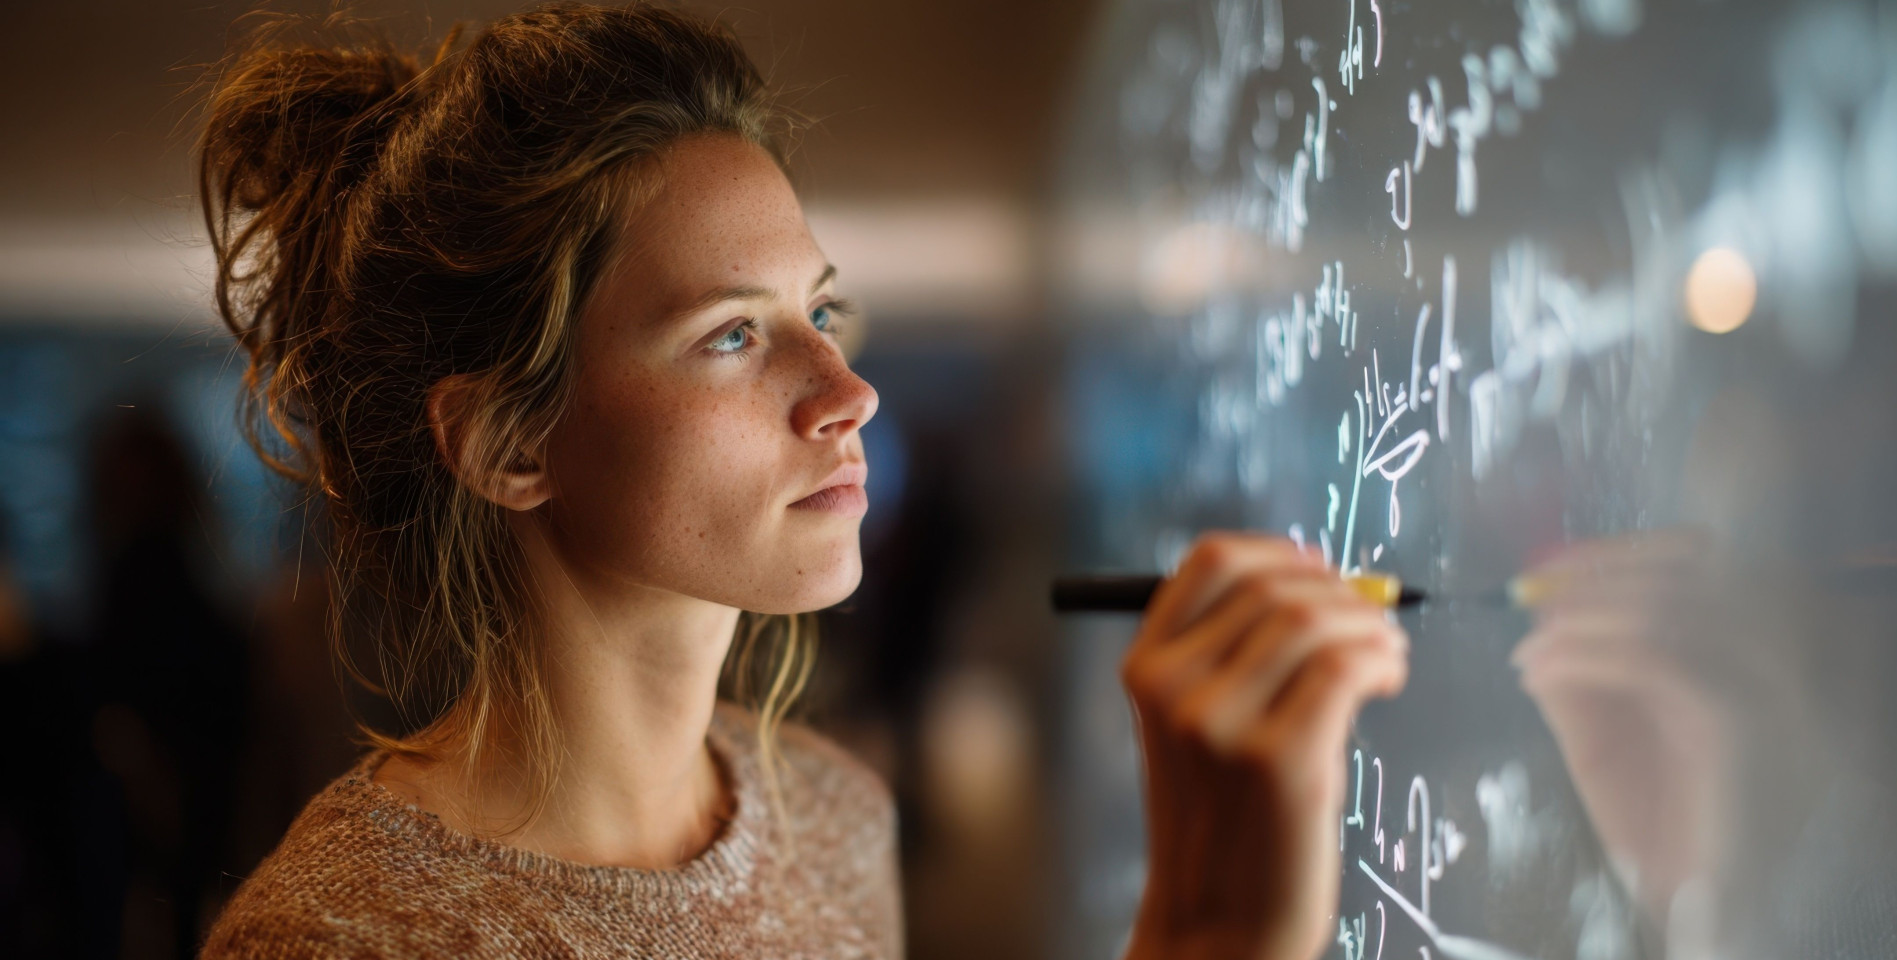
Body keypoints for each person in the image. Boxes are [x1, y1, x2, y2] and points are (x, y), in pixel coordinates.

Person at [194, 4, 1409, 958]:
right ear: (510, 444)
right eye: (731, 333)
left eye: (820, 309)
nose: (849, 390)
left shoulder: (833, 819)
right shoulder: (346, 937)